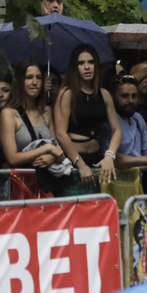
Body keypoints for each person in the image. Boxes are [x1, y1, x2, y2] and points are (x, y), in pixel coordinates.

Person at [54, 44, 121, 189]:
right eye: (81, 63)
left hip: (97, 158)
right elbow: (60, 133)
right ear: (74, 67)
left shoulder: (104, 94)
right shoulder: (67, 94)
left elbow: (117, 130)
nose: (87, 67)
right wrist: (80, 164)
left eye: (91, 62)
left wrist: (109, 156)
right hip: (73, 160)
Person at [0, 59, 64, 170]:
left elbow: (59, 151)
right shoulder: (8, 114)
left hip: (49, 181)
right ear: (19, 81)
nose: (35, 82)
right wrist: (47, 148)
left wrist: (52, 157)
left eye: (38, 78)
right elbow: (12, 158)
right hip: (23, 181)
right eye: (29, 78)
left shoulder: (47, 111)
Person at [101, 76, 147, 170]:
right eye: (124, 96)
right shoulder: (107, 121)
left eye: (134, 96)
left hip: (136, 181)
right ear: (112, 96)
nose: (130, 101)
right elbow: (110, 158)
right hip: (113, 180)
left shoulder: (138, 118)